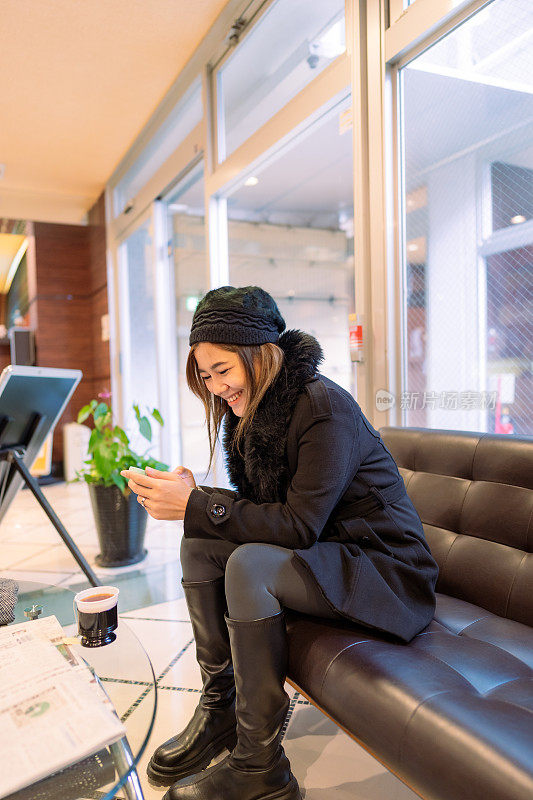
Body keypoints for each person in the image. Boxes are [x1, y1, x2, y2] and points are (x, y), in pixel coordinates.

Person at [121, 285, 439, 800]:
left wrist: (199, 503)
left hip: (386, 571)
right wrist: (194, 500)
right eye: (205, 376)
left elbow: (298, 525)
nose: (216, 387)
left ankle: (261, 767)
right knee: (199, 544)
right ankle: (221, 708)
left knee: (248, 565)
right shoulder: (255, 411)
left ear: (259, 353)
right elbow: (268, 511)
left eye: (223, 370)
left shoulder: (321, 406)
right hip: (334, 554)